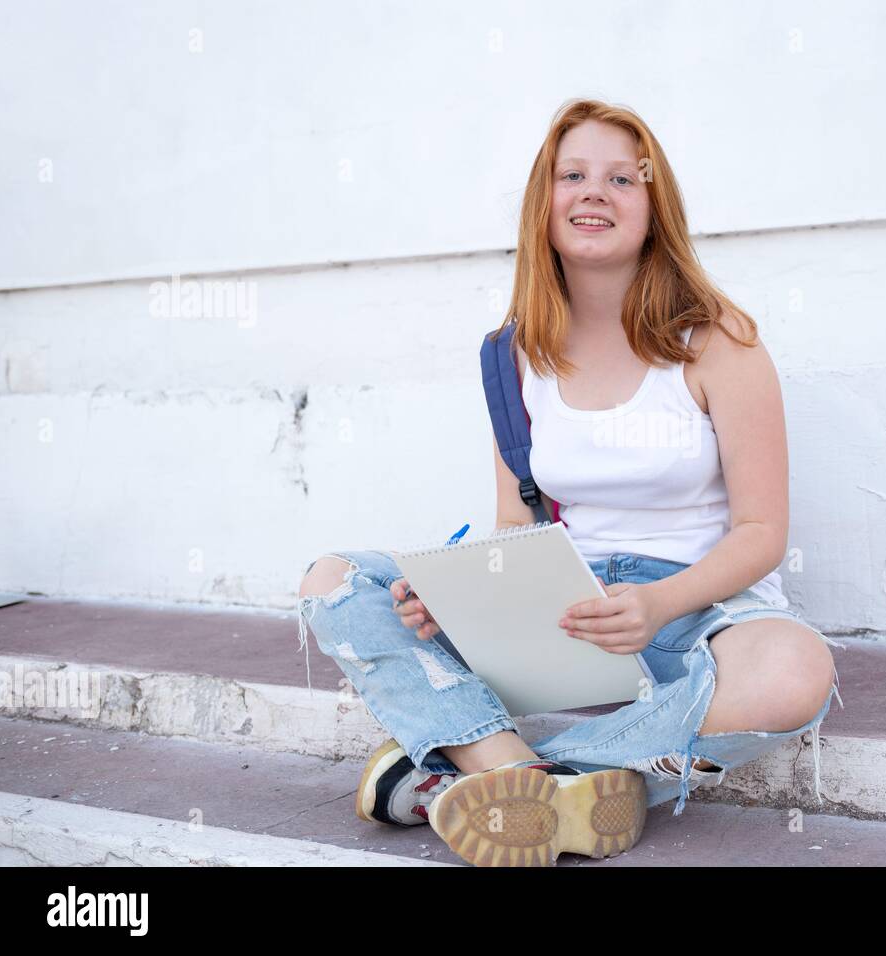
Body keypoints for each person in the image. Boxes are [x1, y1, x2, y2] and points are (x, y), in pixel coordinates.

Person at [296, 98, 845, 867]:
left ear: (655, 209)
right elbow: (516, 526)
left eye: (623, 177)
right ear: (542, 206)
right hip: (563, 607)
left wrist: (658, 602)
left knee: (795, 671)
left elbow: (761, 533)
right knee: (337, 580)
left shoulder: (719, 342)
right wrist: (461, 596)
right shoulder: (512, 356)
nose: (595, 191)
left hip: (694, 613)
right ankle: (530, 780)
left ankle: (456, 774)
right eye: (573, 174)